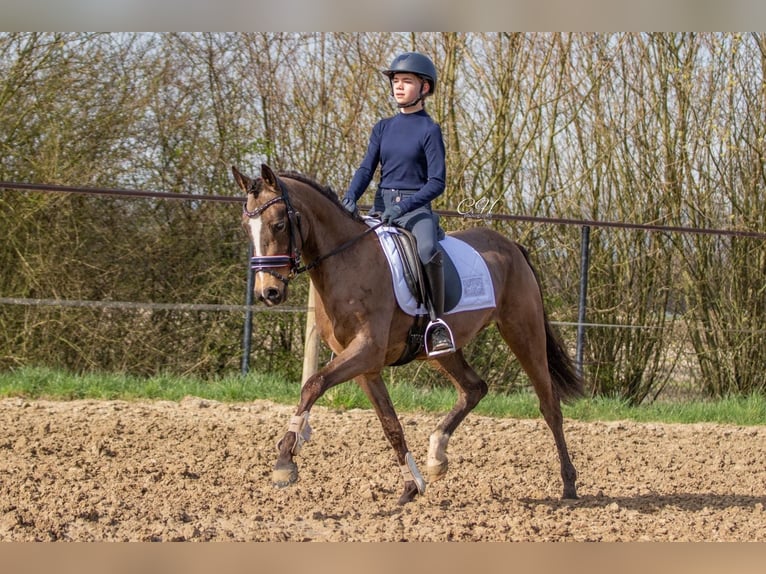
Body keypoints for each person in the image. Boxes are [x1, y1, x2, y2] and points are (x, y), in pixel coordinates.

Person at [341, 51, 455, 357]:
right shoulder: (383, 127)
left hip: (415, 210)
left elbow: (437, 182)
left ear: (425, 88)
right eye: (395, 81)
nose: (398, 86)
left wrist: (403, 208)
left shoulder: (429, 130)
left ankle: (436, 323)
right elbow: (367, 168)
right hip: (380, 206)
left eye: (406, 81)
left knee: (428, 251)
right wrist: (351, 196)